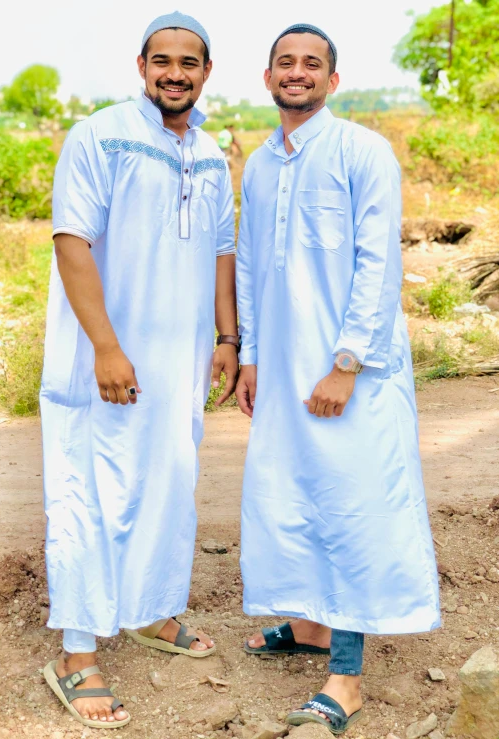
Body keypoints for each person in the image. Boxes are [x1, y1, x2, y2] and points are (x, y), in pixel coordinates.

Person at [235, 23, 440, 735]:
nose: (297, 73)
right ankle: (313, 625)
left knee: (353, 506)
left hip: (353, 370)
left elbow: (377, 265)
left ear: (332, 80)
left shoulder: (362, 152)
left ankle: (345, 680)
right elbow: (252, 267)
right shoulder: (259, 166)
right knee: (293, 493)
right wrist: (253, 355)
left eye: (311, 64)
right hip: (285, 366)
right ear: (267, 79)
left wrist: (347, 362)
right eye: (285, 63)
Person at [40, 11, 239, 730]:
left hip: (176, 361)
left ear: (207, 72)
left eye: (190, 62)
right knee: (86, 488)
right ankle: (75, 652)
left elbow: (221, 249)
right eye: (163, 60)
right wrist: (104, 344)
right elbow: (72, 239)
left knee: (167, 482)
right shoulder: (100, 134)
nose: (176, 73)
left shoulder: (212, 151)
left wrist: (227, 337)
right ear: (142, 65)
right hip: (100, 357)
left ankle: (152, 610)